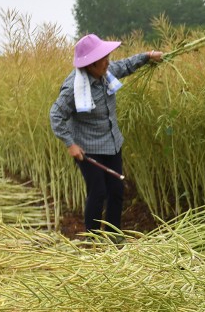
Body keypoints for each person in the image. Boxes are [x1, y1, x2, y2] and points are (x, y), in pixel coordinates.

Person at [50, 34, 163, 237]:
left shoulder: (106, 73)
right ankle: (92, 240)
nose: (108, 60)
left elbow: (127, 65)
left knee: (116, 191)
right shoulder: (73, 88)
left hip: (112, 143)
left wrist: (148, 56)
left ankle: (113, 237)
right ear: (91, 65)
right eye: (103, 58)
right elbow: (56, 115)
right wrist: (70, 144)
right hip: (88, 149)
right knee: (98, 191)